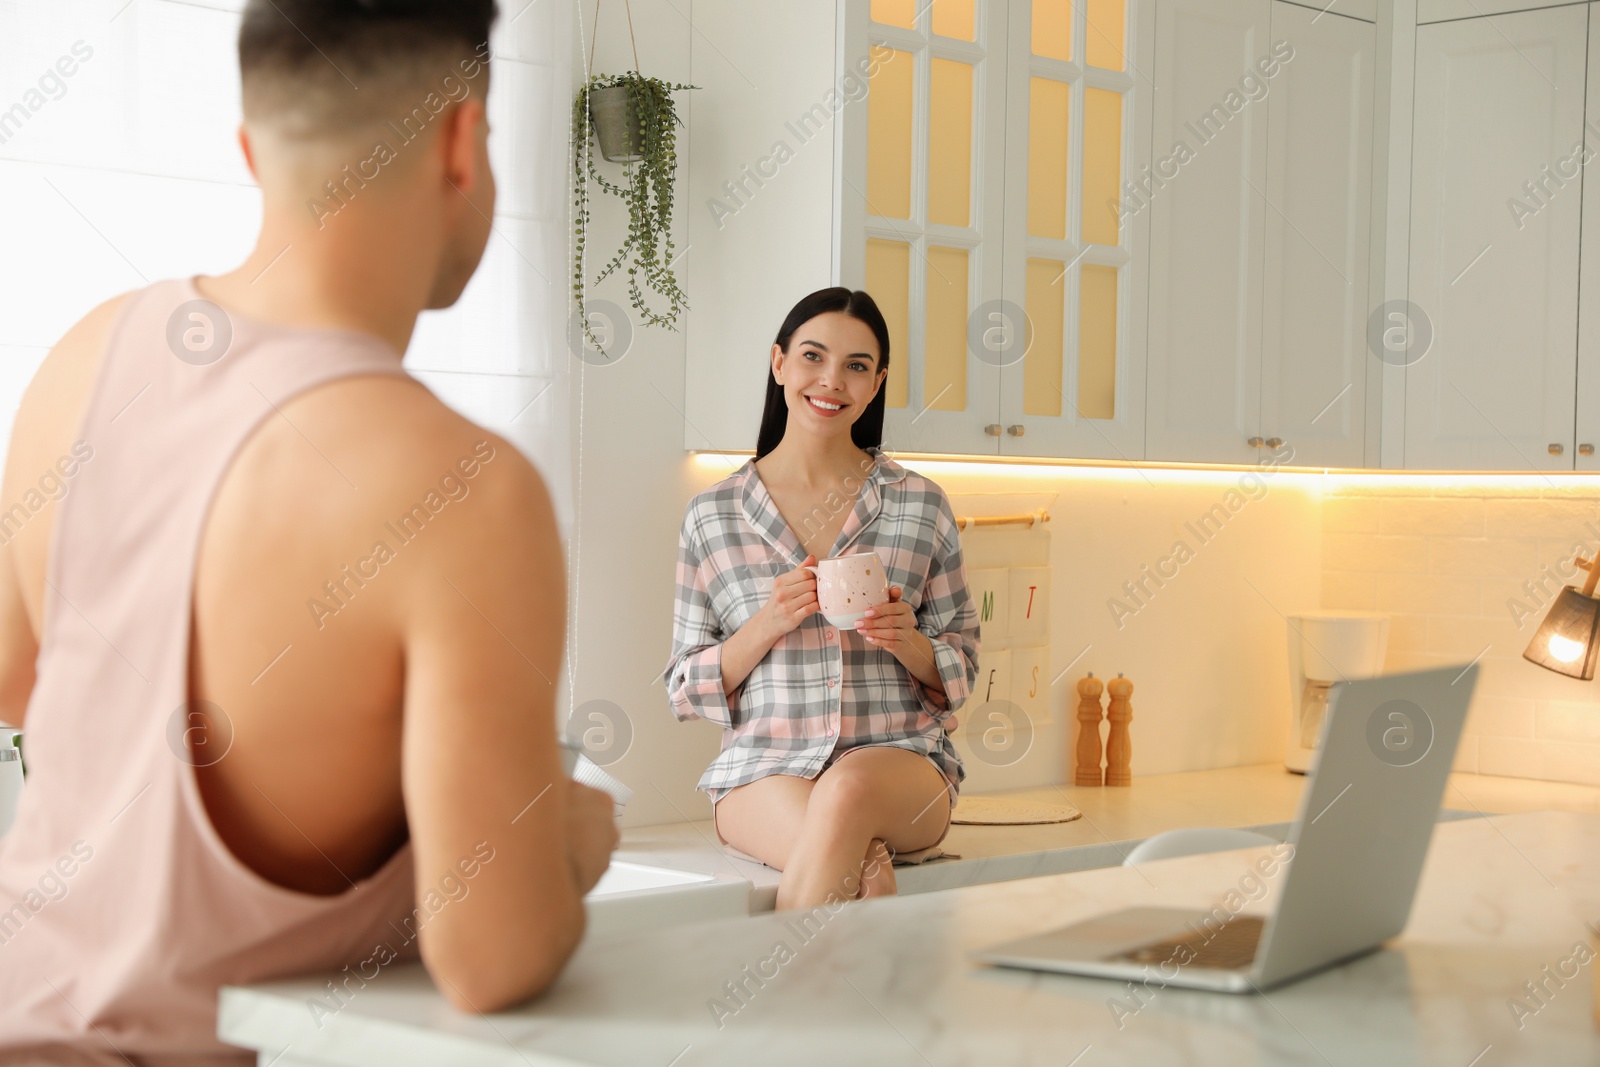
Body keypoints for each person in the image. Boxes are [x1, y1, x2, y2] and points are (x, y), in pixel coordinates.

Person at [0, 2, 616, 1061]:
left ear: (251, 152)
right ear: (462, 140)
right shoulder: (466, 491)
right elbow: (492, 954)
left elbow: (19, 684)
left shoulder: (85, 355)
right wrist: (561, 837)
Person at [664, 287, 980, 912]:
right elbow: (683, 686)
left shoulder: (922, 504)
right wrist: (766, 624)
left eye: (857, 366)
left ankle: (773, 1004)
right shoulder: (714, 514)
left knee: (848, 788)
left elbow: (963, 665)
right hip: (763, 774)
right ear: (779, 363)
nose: (832, 380)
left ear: (876, 382)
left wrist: (909, 642)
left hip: (902, 769)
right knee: (866, 874)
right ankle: (853, 1005)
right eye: (814, 356)